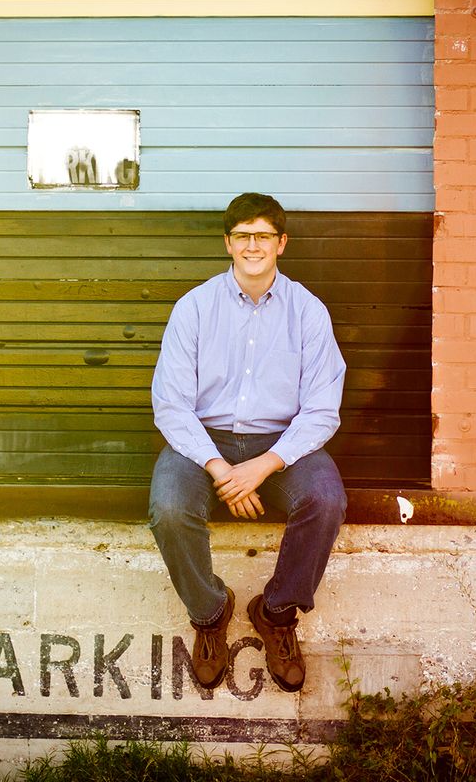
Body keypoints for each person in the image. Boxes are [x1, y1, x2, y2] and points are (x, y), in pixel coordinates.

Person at [148, 192, 348, 693]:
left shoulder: (308, 311)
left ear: (281, 243)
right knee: (169, 508)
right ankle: (210, 614)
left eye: (263, 236)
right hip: (203, 440)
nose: (252, 245)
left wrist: (261, 467)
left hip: (284, 442)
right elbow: (172, 404)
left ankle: (276, 612)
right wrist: (221, 470)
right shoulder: (194, 308)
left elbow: (322, 407)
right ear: (228, 243)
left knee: (326, 501)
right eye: (242, 236)